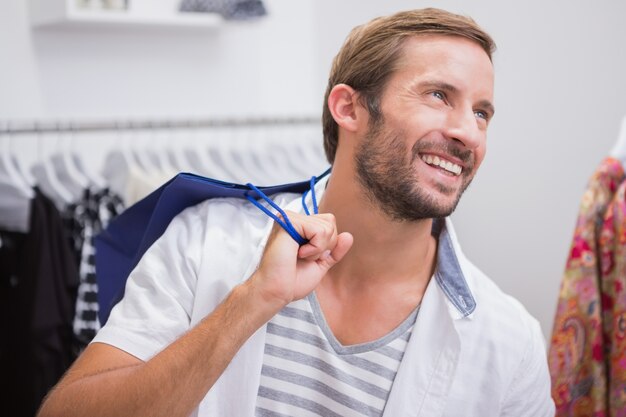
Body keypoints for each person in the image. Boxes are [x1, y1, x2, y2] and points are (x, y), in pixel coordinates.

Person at [38, 8, 555, 417]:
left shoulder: (510, 342)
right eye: (439, 95)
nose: (468, 131)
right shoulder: (204, 242)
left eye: (481, 113)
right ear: (349, 108)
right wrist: (251, 301)